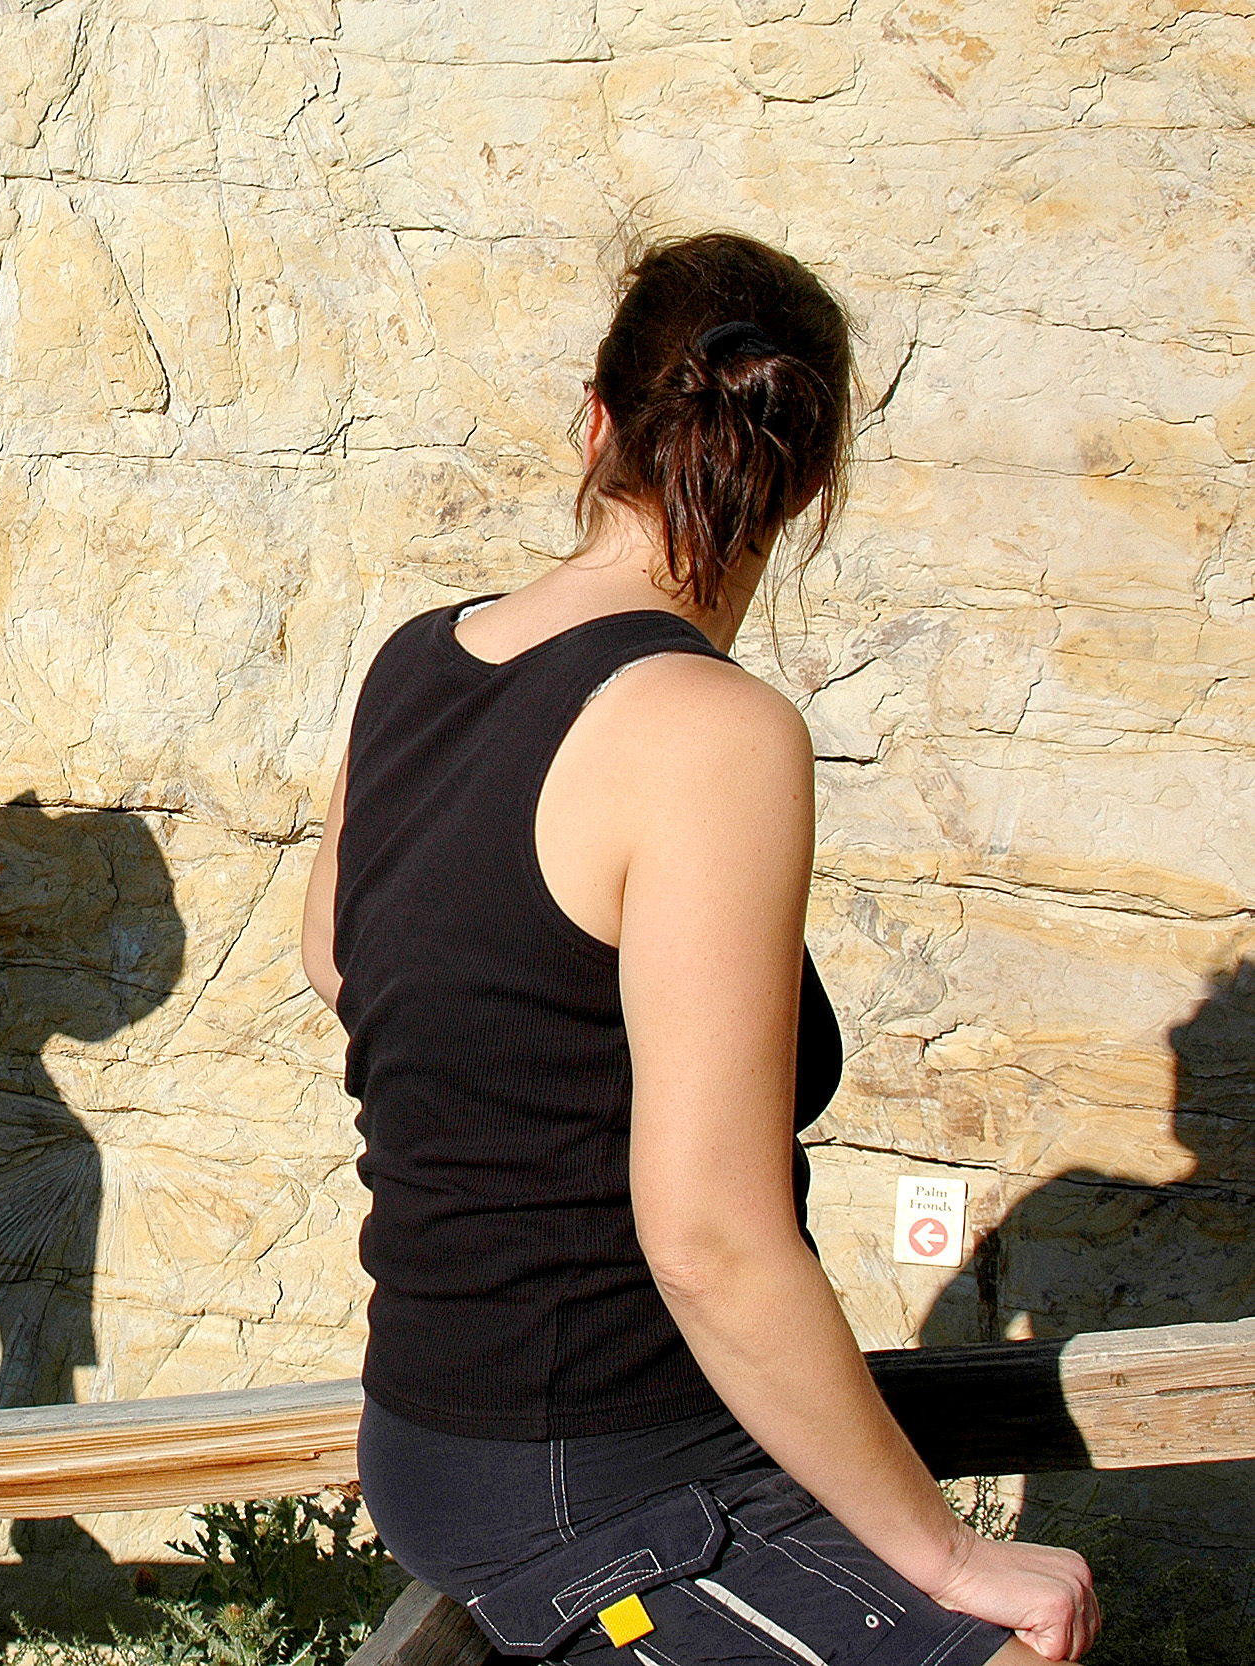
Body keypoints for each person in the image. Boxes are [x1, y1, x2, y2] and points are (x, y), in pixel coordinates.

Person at [299, 234, 1098, 1664]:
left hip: (431, 1421)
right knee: (1029, 1638)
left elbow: (345, 966)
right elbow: (713, 1240)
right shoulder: (710, 731)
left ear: (593, 421)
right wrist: (953, 1549)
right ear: (809, 486)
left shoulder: (414, 661)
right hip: (606, 1474)